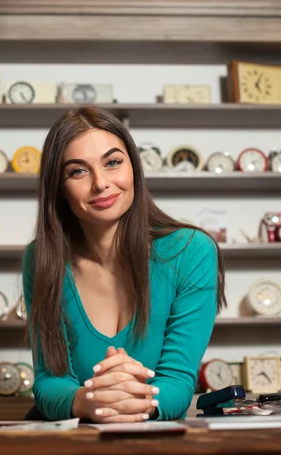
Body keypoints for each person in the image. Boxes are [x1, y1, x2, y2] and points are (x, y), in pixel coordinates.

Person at [22, 106, 226, 423]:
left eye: (113, 162)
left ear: (133, 167)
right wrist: (88, 400)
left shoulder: (191, 251)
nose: (101, 183)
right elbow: (50, 381)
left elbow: (177, 382)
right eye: (77, 171)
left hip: (152, 437)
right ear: (58, 188)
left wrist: (139, 401)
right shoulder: (42, 258)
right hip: (73, 440)